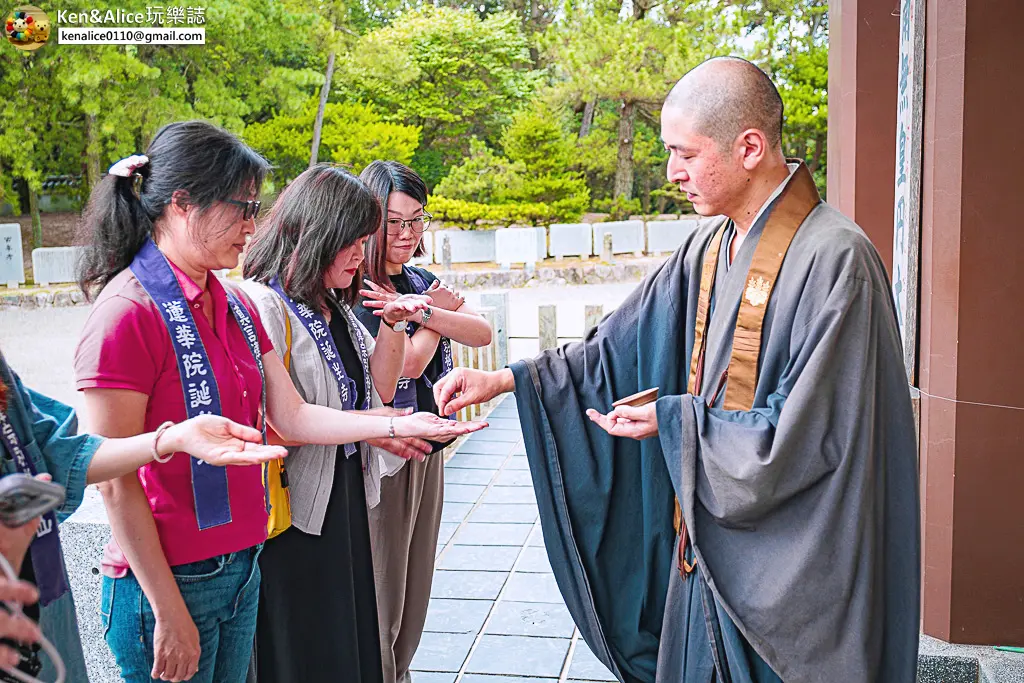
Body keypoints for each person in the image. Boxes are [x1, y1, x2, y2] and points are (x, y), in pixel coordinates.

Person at [433, 57, 920, 683]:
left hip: (785, 572)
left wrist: (675, 423)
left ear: (749, 147)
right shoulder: (710, 246)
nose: (672, 173)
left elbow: (814, 436)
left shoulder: (836, 259)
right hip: (704, 549)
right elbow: (618, 344)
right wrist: (507, 379)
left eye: (685, 154)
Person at [72, 122, 485, 683]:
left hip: (242, 561)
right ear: (182, 204)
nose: (252, 225)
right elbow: (111, 475)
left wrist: (391, 420)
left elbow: (290, 414)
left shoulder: (231, 303)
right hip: (170, 578)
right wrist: (167, 610)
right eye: (241, 208)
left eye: (254, 207)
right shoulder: (126, 314)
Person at [241, 164, 445, 683]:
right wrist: (385, 427)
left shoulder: (332, 301)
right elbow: (284, 421)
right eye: (351, 243)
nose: (360, 255)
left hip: (345, 495)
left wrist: (396, 321)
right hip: (296, 511)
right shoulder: (265, 302)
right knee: (308, 643)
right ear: (315, 236)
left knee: (349, 635)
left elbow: (378, 384)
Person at [0, 347, 286, 682]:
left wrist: (172, 438)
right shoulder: (124, 314)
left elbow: (61, 453)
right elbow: (114, 487)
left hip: (41, 600)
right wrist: (167, 609)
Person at [356, 161, 493, 683]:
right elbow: (404, 368)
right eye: (394, 221)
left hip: (430, 445)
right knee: (385, 583)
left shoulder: (416, 281)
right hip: (385, 452)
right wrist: (429, 318)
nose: (407, 233)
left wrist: (420, 310)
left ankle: (402, 671)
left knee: (417, 580)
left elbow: (479, 331)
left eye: (417, 220)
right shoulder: (360, 284)